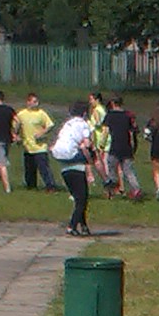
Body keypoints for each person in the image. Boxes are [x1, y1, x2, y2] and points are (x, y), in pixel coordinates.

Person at [51, 98, 95, 237]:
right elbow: (87, 144)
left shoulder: (67, 124)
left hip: (62, 163)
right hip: (75, 163)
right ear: (84, 113)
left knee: (78, 198)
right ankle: (72, 226)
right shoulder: (83, 124)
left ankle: (84, 226)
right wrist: (91, 157)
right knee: (82, 199)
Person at [15, 92, 55, 192]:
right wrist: (16, 136)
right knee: (29, 169)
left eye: (37, 101)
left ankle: (50, 186)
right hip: (28, 146)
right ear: (28, 102)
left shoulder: (41, 113)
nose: (36, 104)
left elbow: (50, 125)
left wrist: (42, 132)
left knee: (44, 169)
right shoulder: (21, 114)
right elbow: (16, 126)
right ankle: (31, 186)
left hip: (40, 147)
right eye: (34, 101)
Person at [105, 95, 143, 199]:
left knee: (112, 169)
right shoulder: (128, 115)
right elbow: (133, 131)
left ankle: (112, 191)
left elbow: (106, 131)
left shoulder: (110, 115)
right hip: (126, 147)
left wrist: (102, 144)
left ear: (112, 103)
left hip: (114, 146)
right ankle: (136, 189)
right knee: (128, 171)